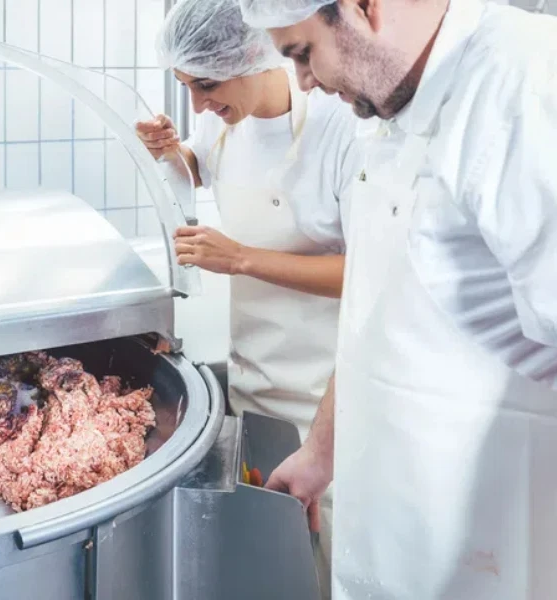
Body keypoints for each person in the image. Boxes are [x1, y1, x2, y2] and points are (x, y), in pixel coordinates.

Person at [239, 0, 557, 597]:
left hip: (494, 555)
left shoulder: (529, 87)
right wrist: (319, 453)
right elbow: (381, 306)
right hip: (396, 534)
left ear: (364, 8)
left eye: (303, 54)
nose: (305, 83)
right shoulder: (394, 104)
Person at [136, 0, 363, 596]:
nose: (198, 106)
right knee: (278, 560)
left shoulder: (343, 129)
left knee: (330, 558)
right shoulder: (220, 121)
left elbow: (371, 273)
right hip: (253, 382)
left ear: (254, 53)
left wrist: (238, 258)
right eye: (186, 87)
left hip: (330, 404)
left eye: (205, 85)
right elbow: (202, 163)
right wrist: (172, 153)